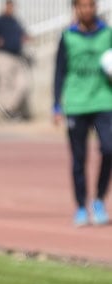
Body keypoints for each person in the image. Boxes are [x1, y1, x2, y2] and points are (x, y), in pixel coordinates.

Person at [53, 0, 111, 226]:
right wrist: (56, 104)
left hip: (104, 100)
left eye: (91, 5)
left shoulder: (107, 34)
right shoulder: (68, 36)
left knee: (109, 148)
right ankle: (80, 205)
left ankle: (98, 199)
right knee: (79, 158)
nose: (87, 10)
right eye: (82, 6)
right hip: (76, 103)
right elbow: (59, 71)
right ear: (75, 8)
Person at [0, 0, 30, 121]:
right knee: (4, 84)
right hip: (2, 56)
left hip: (17, 56)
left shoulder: (15, 22)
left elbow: (23, 35)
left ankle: (8, 109)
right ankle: (4, 112)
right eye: (9, 6)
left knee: (23, 84)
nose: (11, 8)